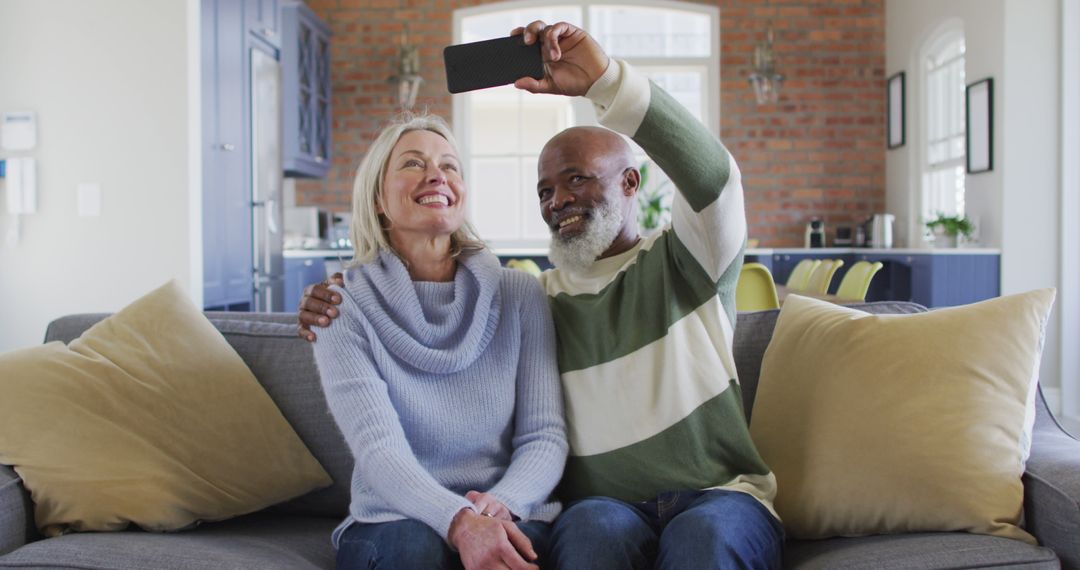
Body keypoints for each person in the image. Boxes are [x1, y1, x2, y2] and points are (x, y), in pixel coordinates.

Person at [301, 21, 783, 569]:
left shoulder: (686, 260)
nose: (558, 200)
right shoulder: (540, 294)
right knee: (590, 533)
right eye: (545, 191)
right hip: (601, 508)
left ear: (630, 183)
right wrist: (328, 302)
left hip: (718, 495)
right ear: (378, 198)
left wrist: (605, 81)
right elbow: (383, 442)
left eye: (577, 179)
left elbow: (714, 177)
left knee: (704, 542)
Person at [309, 112, 567, 569]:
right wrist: (458, 521)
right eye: (412, 163)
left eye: (450, 165)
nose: (436, 175)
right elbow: (378, 450)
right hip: (394, 519)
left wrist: (497, 507)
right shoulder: (340, 306)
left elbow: (543, 436)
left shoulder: (519, 294)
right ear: (379, 200)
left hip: (506, 507)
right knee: (413, 551)